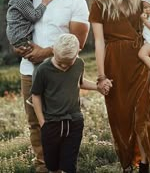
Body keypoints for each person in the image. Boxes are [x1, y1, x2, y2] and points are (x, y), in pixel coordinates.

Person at [14, 0, 90, 173]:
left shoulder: (75, 0)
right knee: (35, 124)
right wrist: (22, 47)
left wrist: (45, 53)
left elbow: (79, 42)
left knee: (58, 123)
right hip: (29, 70)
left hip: (61, 74)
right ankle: (43, 166)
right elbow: (15, 24)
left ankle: (59, 167)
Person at [89, 0, 150, 173]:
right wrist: (101, 76)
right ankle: (126, 165)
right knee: (119, 118)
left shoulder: (140, 2)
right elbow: (99, 41)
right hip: (115, 67)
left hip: (139, 66)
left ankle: (145, 165)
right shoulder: (99, 3)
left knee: (141, 117)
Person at [31, 33, 104, 173]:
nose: (64, 66)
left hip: (74, 121)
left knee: (69, 165)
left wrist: (97, 87)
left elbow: (80, 82)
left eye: (68, 62)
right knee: (52, 165)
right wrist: (43, 123)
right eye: (60, 62)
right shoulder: (43, 70)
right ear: (53, 50)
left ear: (78, 52)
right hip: (51, 123)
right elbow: (36, 96)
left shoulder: (79, 63)